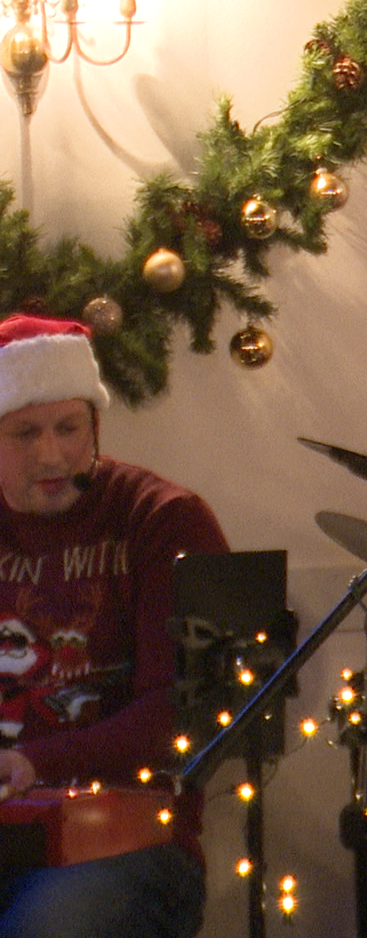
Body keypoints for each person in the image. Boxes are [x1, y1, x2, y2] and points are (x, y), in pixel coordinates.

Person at [0, 313, 228, 938]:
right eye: (24, 434)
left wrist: (33, 763)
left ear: (94, 425)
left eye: (69, 427)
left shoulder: (163, 521)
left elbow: (181, 715)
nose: (52, 454)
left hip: (131, 846)